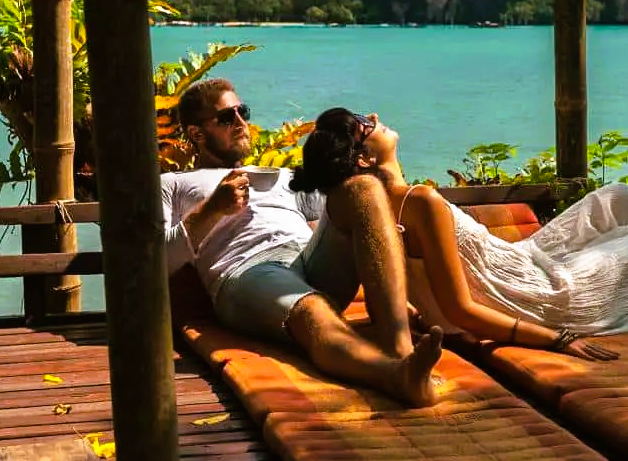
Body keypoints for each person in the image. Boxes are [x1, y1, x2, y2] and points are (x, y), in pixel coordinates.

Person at [289, 107, 628, 360]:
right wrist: (558, 339)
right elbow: (462, 310)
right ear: (364, 157)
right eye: (362, 123)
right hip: (529, 293)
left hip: (515, 260)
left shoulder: (390, 203)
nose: (374, 119)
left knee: (617, 198)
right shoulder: (416, 203)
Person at [161, 79, 445, 407]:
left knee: (363, 188)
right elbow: (156, 260)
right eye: (227, 118)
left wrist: (366, 142)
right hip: (249, 271)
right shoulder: (174, 184)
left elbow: (355, 212)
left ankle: (402, 352)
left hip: (307, 256)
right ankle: (394, 376)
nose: (241, 123)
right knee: (311, 307)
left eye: (243, 112)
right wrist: (211, 210)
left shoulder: (280, 176)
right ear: (197, 134)